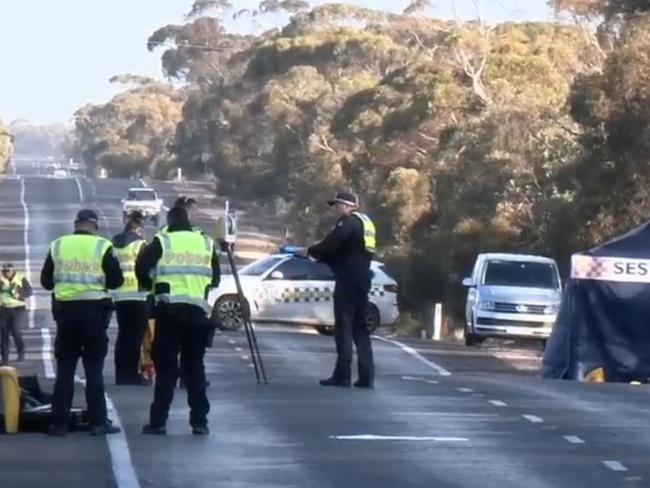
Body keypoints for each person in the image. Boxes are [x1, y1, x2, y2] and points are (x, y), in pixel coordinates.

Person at [136, 207, 220, 435]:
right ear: (188, 220)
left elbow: (142, 268)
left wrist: (151, 286)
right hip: (198, 314)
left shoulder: (162, 241)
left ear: (170, 220)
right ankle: (200, 422)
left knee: (166, 370)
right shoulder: (205, 243)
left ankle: (158, 421)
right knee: (195, 369)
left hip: (169, 313)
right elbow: (216, 279)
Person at [40, 209, 124, 436]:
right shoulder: (103, 246)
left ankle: (59, 423)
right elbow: (116, 281)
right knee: (94, 369)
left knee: (65, 369)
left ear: (76, 224)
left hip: (66, 315)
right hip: (95, 314)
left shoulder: (58, 245)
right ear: (95, 226)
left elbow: (46, 281)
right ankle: (98, 422)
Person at [298, 191, 377, 389]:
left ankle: (342, 376)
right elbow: (349, 251)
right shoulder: (366, 223)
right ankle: (367, 377)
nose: (335, 209)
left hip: (348, 280)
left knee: (344, 327)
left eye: (337, 205)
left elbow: (331, 245)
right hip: (363, 279)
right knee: (361, 330)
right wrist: (319, 256)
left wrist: (310, 252)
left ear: (346, 205)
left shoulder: (347, 223)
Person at [112, 211, 150, 385]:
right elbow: (145, 269)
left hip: (120, 295)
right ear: (138, 229)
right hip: (137, 295)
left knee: (123, 335)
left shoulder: (115, 243)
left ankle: (120, 373)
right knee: (134, 338)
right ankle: (131, 374)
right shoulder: (140, 245)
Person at [0, 263, 33, 365]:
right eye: (4, 271)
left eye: (8, 271)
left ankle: (21, 352)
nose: (6, 273)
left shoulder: (20, 278)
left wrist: (19, 293)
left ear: (13, 270)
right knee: (4, 334)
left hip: (18, 309)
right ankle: (5, 358)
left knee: (15, 331)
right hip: (3, 308)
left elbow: (29, 291)